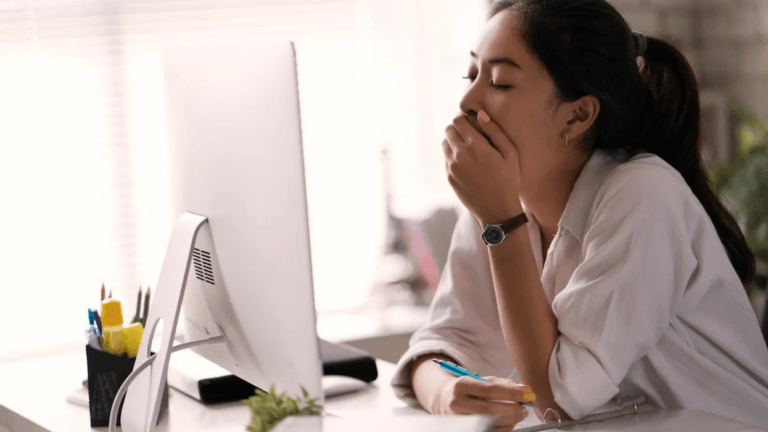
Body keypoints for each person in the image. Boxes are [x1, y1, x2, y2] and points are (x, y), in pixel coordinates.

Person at [390, 1, 768, 430]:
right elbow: (442, 342)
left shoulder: (642, 194)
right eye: (471, 74)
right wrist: (442, 392)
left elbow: (557, 398)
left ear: (577, 115)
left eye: (498, 81)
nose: (467, 99)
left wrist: (500, 224)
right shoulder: (497, 203)